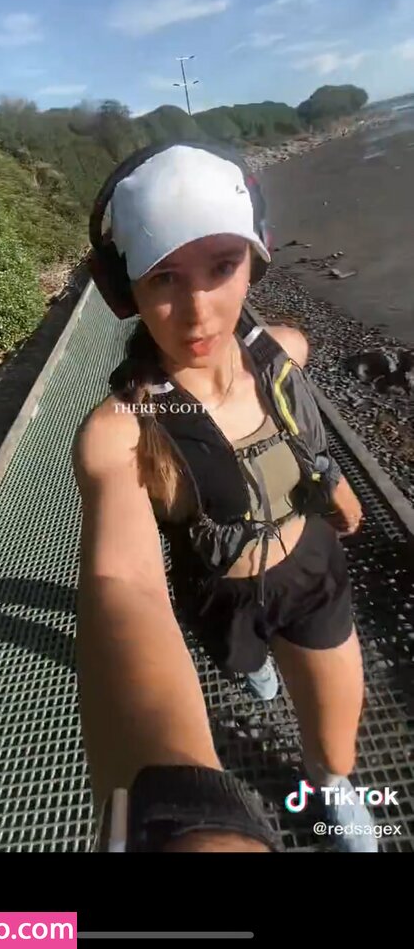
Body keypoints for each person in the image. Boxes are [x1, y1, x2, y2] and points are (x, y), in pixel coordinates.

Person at [73, 141, 376, 853]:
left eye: (222, 266)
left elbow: (302, 434)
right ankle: (255, 665)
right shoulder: (122, 430)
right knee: (248, 667)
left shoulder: (284, 352)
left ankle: (330, 787)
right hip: (222, 595)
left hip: (311, 572)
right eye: (164, 277)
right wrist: (181, 821)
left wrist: (334, 485)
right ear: (125, 289)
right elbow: (123, 586)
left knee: (335, 746)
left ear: (254, 258)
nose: (199, 311)